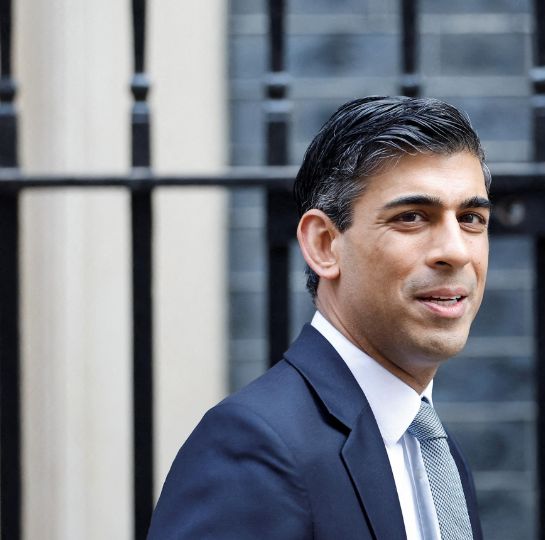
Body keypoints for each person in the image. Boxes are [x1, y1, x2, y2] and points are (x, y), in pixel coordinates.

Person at [148, 96, 491, 539]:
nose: (456, 251)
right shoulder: (254, 446)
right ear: (324, 245)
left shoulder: (432, 448)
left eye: (471, 218)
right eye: (411, 217)